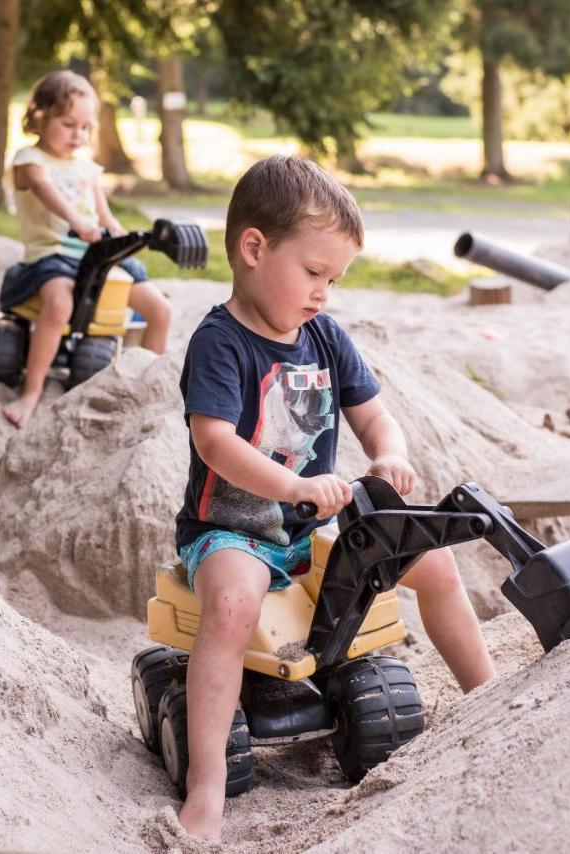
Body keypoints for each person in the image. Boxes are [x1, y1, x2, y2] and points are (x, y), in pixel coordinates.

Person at [173, 155, 496, 840]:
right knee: (231, 604)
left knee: (432, 561)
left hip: (314, 521)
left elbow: (376, 413)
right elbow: (215, 444)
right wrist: (291, 485)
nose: (324, 293)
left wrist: (390, 452)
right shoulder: (220, 343)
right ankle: (206, 788)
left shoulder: (324, 335)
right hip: (233, 528)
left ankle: (489, 698)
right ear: (254, 249)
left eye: (334, 280)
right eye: (314, 274)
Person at [0, 70, 173, 429]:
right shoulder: (29, 161)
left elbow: (103, 212)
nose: (78, 134)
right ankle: (31, 392)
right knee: (59, 304)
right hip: (51, 257)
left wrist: (115, 230)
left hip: (95, 257)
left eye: (85, 127)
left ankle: (148, 393)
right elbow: (48, 192)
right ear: (40, 116)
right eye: (68, 124)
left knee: (160, 309)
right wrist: (77, 224)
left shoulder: (87, 167)